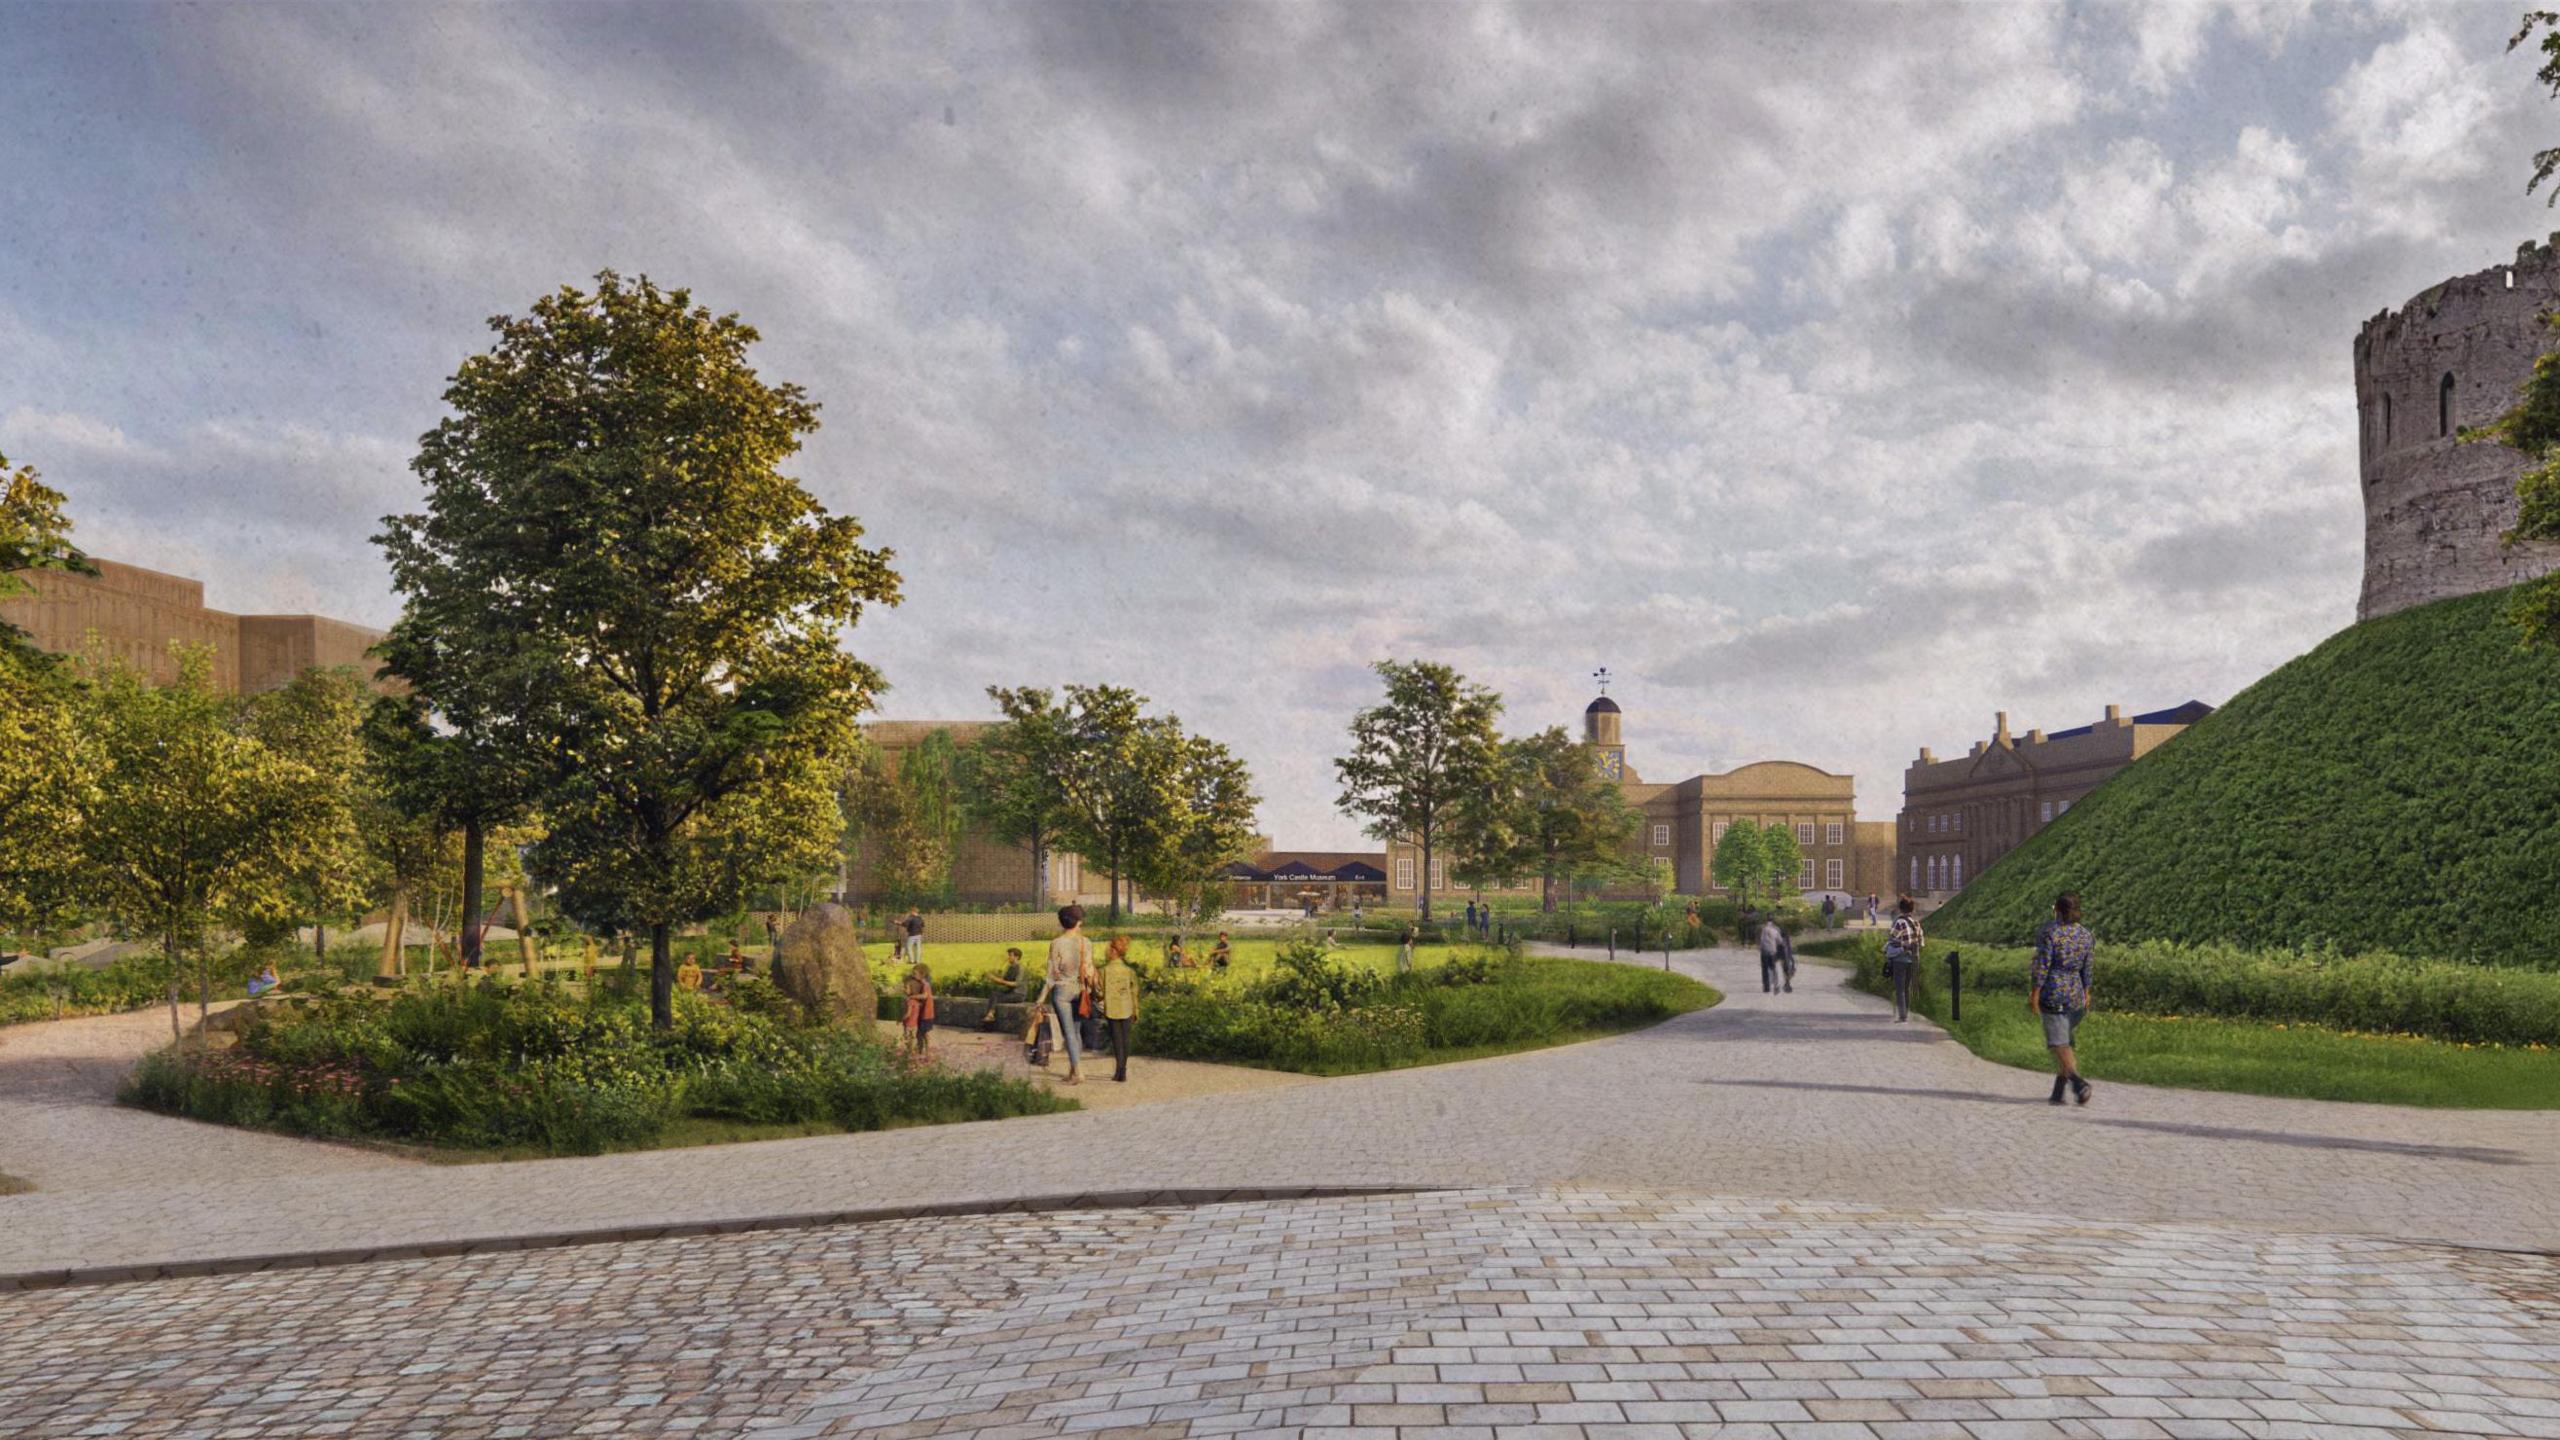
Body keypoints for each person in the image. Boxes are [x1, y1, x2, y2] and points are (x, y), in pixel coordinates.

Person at [2032, 892, 2096, 1106]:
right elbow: (2087, 968)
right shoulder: (2086, 935)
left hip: (2054, 992)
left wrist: (2035, 992)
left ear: (2057, 910)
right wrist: (2087, 992)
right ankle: (2058, 1092)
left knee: (2059, 1044)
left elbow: (2043, 965)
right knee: (2065, 1042)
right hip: (2076, 995)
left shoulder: (2050, 932)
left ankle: (2078, 1083)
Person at [1035, 904, 1090, 1085]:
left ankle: (1079, 1073)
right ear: (1079, 921)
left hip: (1062, 990)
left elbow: (1051, 974)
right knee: (1076, 1031)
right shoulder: (1085, 942)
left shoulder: (1057, 943)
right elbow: (1088, 970)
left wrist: (1041, 997)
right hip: (1080, 990)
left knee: (1069, 1033)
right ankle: (1074, 1070)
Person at [1100, 939, 1139, 1082]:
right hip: (1127, 1007)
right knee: (1126, 1039)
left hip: (1112, 1008)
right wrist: (1136, 1010)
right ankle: (1123, 1069)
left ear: (1113, 951)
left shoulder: (1104, 971)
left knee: (1117, 1040)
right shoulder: (1129, 971)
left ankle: (1119, 1070)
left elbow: (1099, 992)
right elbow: (1134, 992)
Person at [1884, 895, 1924, 1021]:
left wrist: (1900, 945)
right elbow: (1921, 943)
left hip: (1900, 959)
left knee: (1900, 988)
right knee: (1907, 988)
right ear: (1912, 909)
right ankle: (1905, 1013)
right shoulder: (1917, 923)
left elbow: (1892, 938)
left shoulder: (1899, 922)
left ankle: (1902, 1016)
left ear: (1901, 909)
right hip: (1913, 959)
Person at [1082, 936, 1117, 1056]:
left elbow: (1097, 992)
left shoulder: (1091, 969)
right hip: (1102, 1003)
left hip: (1099, 1003)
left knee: (1090, 1014)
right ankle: (1094, 1044)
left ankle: (1094, 1044)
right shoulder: (1097, 969)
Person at [983, 947, 1026, 1031]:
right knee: (994, 994)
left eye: (1010, 955)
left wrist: (997, 980)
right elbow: (1003, 980)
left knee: (996, 997)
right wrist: (993, 976)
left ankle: (990, 1016)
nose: (1008, 957)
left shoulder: (1021, 968)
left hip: (1018, 994)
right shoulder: (1010, 967)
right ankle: (989, 1016)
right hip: (1010, 992)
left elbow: (1016, 984)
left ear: (1017, 957)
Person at [902, 961, 936, 1054]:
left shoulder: (926, 985)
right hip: (924, 1013)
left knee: (924, 1033)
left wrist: (912, 996)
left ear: (922, 974)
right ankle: (921, 1050)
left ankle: (927, 1050)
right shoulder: (922, 984)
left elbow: (925, 996)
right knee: (919, 1033)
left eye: (915, 974)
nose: (913, 976)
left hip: (927, 1013)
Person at [1757, 917, 1795, 994]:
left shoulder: (1766, 930)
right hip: (1778, 950)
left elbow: (1761, 941)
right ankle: (1783, 984)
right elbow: (1784, 943)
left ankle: (1769, 986)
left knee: (1769, 968)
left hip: (1772, 951)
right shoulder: (1778, 931)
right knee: (1783, 968)